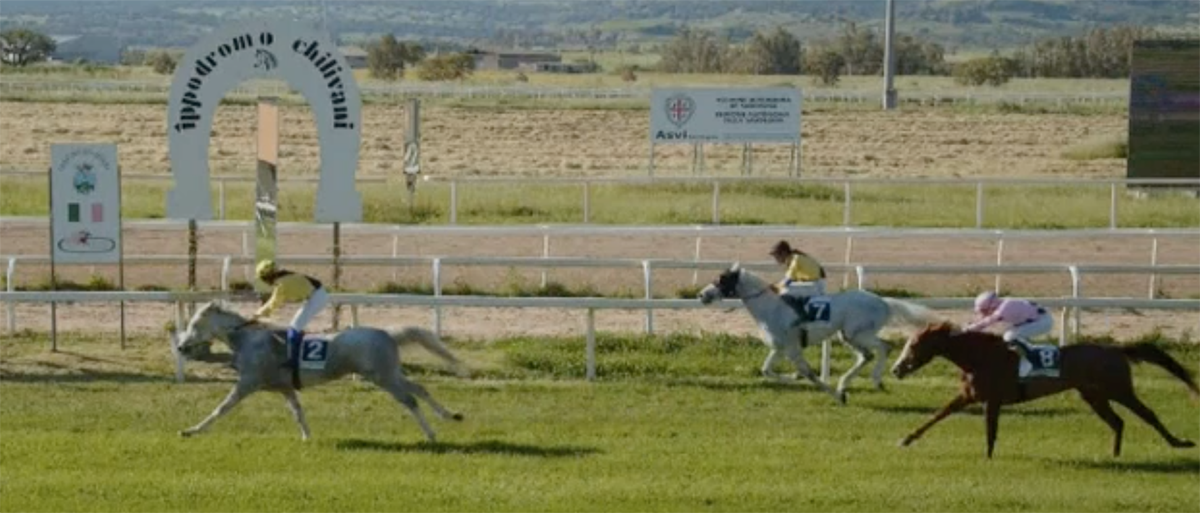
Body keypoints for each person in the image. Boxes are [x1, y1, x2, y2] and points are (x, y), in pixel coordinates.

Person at [251, 259, 329, 380]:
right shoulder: (282, 278)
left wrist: (257, 314)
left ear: (268, 276)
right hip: (316, 295)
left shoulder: (281, 283)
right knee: (295, 327)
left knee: (294, 329)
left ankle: (293, 364)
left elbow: (273, 303)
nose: (264, 281)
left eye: (263, 278)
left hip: (317, 297)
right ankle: (295, 357)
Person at [965, 291, 1055, 377]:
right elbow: (985, 321)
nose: (983, 314)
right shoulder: (1003, 305)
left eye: (984, 311)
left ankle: (1027, 364)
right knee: (1008, 336)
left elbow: (988, 321)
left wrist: (970, 328)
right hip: (1035, 319)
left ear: (992, 306)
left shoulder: (1004, 308)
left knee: (1009, 337)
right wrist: (972, 325)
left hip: (1043, 321)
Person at [769, 240, 827, 326]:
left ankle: (802, 315)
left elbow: (788, 280)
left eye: (776, 256)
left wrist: (776, 287)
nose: (776, 259)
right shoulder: (794, 258)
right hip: (813, 283)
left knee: (783, 293)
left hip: (815, 285)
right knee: (786, 289)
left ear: (784, 253)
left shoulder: (795, 260)